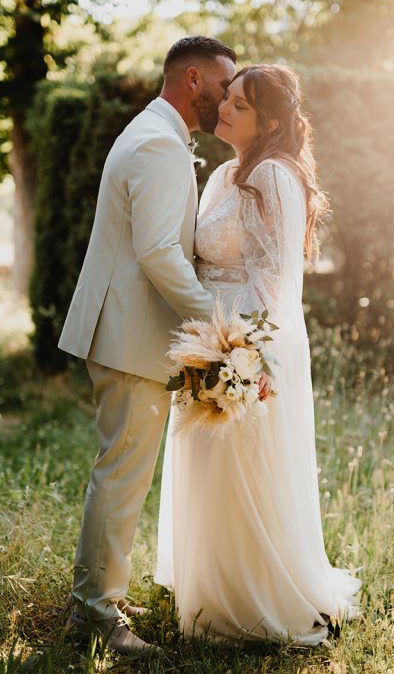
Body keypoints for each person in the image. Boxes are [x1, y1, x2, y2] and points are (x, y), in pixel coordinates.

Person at [155, 64, 362, 645]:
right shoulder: (225, 173)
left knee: (241, 468)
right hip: (207, 336)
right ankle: (209, 583)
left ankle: (251, 597)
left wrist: (249, 359)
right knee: (207, 465)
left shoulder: (273, 176)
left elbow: (276, 282)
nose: (223, 107)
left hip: (246, 345)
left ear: (270, 120)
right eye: (228, 98)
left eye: (239, 105)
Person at [57, 36, 236, 655]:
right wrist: (218, 327)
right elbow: (159, 252)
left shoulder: (155, 133)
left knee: (119, 470)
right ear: (193, 80)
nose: (227, 96)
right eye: (222, 84)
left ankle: (96, 601)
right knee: (122, 474)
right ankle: (98, 615)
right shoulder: (159, 143)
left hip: (125, 329)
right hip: (131, 334)